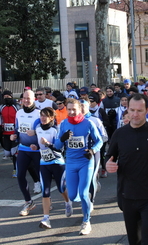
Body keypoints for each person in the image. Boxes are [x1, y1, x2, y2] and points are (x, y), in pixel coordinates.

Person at [106, 93, 148, 245]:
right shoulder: (120, 134)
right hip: (128, 195)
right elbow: (109, 156)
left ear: (147, 110)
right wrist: (107, 164)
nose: (135, 114)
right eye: (132, 110)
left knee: (147, 241)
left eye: (139, 110)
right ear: (127, 110)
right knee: (134, 241)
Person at [54, 98, 103, 235]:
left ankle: (86, 222)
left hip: (85, 162)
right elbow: (57, 147)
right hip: (70, 162)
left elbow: (100, 141)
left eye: (73, 109)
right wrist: (62, 139)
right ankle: (83, 202)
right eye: (69, 109)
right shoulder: (63, 124)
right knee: (74, 195)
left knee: (83, 194)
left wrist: (92, 150)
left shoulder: (88, 123)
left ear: (80, 109)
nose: (71, 112)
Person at [31, 107, 72, 229]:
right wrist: (36, 147)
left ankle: (67, 201)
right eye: (41, 115)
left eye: (45, 116)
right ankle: (46, 219)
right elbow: (40, 146)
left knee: (61, 188)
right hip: (44, 163)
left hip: (57, 163)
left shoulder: (55, 130)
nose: (42, 118)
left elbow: (59, 149)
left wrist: (47, 144)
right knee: (45, 191)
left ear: (52, 118)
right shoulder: (38, 129)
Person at [11, 90, 42, 216]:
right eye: (24, 98)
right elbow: (17, 129)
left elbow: (48, 129)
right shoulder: (18, 113)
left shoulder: (39, 113)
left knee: (42, 176)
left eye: (29, 98)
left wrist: (35, 133)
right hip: (23, 148)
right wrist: (14, 136)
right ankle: (28, 202)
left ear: (34, 99)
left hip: (37, 149)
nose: (26, 100)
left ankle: (47, 198)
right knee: (20, 175)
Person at [0, 90, 21, 177]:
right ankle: (19, 162)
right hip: (5, 133)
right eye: (5, 97)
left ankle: (16, 169)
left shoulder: (16, 106)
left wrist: (18, 130)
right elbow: (0, 117)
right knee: (7, 153)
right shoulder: (1, 107)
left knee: (14, 151)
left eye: (8, 97)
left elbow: (19, 118)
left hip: (14, 132)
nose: (6, 98)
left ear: (11, 97)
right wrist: (0, 126)